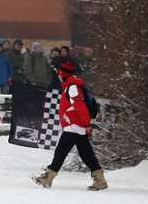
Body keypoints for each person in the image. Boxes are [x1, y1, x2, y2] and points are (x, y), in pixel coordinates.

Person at [33, 60, 107, 191]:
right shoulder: (71, 86)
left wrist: (86, 124)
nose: (59, 76)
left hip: (74, 126)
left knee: (61, 152)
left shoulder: (72, 87)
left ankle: (48, 177)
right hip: (77, 126)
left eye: (60, 74)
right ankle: (100, 180)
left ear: (64, 74)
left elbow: (80, 106)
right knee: (86, 154)